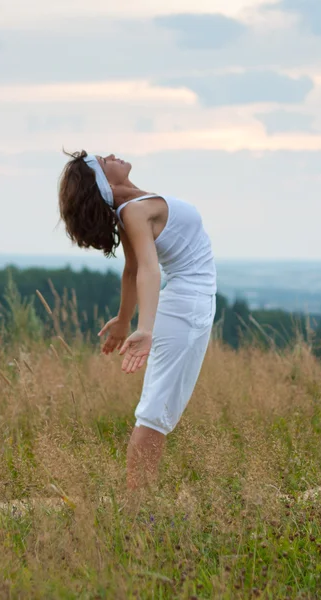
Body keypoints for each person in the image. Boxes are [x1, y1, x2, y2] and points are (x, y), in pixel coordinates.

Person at [58, 150, 217, 491]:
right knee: (155, 413)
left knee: (159, 411)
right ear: (104, 181)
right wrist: (143, 329)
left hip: (187, 303)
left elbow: (132, 269)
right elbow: (146, 268)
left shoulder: (131, 208)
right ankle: (138, 512)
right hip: (185, 307)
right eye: (103, 161)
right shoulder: (132, 210)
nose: (112, 154)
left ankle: (140, 507)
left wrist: (123, 320)